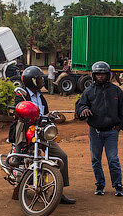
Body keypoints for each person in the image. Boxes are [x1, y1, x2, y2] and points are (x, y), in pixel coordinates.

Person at [11, 65, 75, 204]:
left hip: (41, 131)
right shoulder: (22, 95)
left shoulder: (41, 97)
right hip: (27, 130)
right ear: (33, 81)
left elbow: (44, 113)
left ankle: (59, 191)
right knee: (21, 124)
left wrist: (50, 116)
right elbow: (19, 111)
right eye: (40, 78)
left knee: (61, 156)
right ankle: (18, 150)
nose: (42, 80)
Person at [75, 61, 123, 196]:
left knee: (113, 159)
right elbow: (80, 106)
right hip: (95, 132)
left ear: (108, 74)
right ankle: (100, 185)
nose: (100, 76)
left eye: (103, 74)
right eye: (98, 74)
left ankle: (118, 185)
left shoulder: (116, 90)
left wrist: (120, 126)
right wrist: (84, 109)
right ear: (94, 75)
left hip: (112, 131)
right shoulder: (88, 91)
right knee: (95, 159)